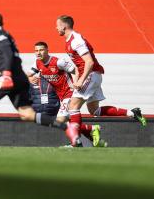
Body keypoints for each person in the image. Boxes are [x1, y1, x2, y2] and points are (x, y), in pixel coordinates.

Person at [0, 12, 69, 150]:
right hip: (18, 77)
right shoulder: (5, 34)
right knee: (27, 114)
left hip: (10, 78)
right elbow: (11, 59)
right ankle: (66, 126)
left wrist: (6, 75)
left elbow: (7, 54)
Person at [56, 15, 146, 146]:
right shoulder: (69, 41)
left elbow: (89, 62)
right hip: (92, 76)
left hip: (90, 75)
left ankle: (76, 142)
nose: (56, 28)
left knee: (73, 107)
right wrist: (76, 79)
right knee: (94, 111)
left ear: (64, 26)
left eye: (57, 25)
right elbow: (78, 63)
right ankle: (132, 113)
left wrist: (81, 80)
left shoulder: (76, 40)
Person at [28, 41, 107, 147]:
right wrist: (30, 78)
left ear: (47, 50)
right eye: (36, 50)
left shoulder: (58, 62)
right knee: (70, 122)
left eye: (41, 50)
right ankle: (90, 132)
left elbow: (75, 70)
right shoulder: (37, 63)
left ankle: (76, 142)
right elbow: (28, 74)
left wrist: (75, 83)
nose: (38, 53)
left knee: (60, 120)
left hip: (69, 93)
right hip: (61, 96)